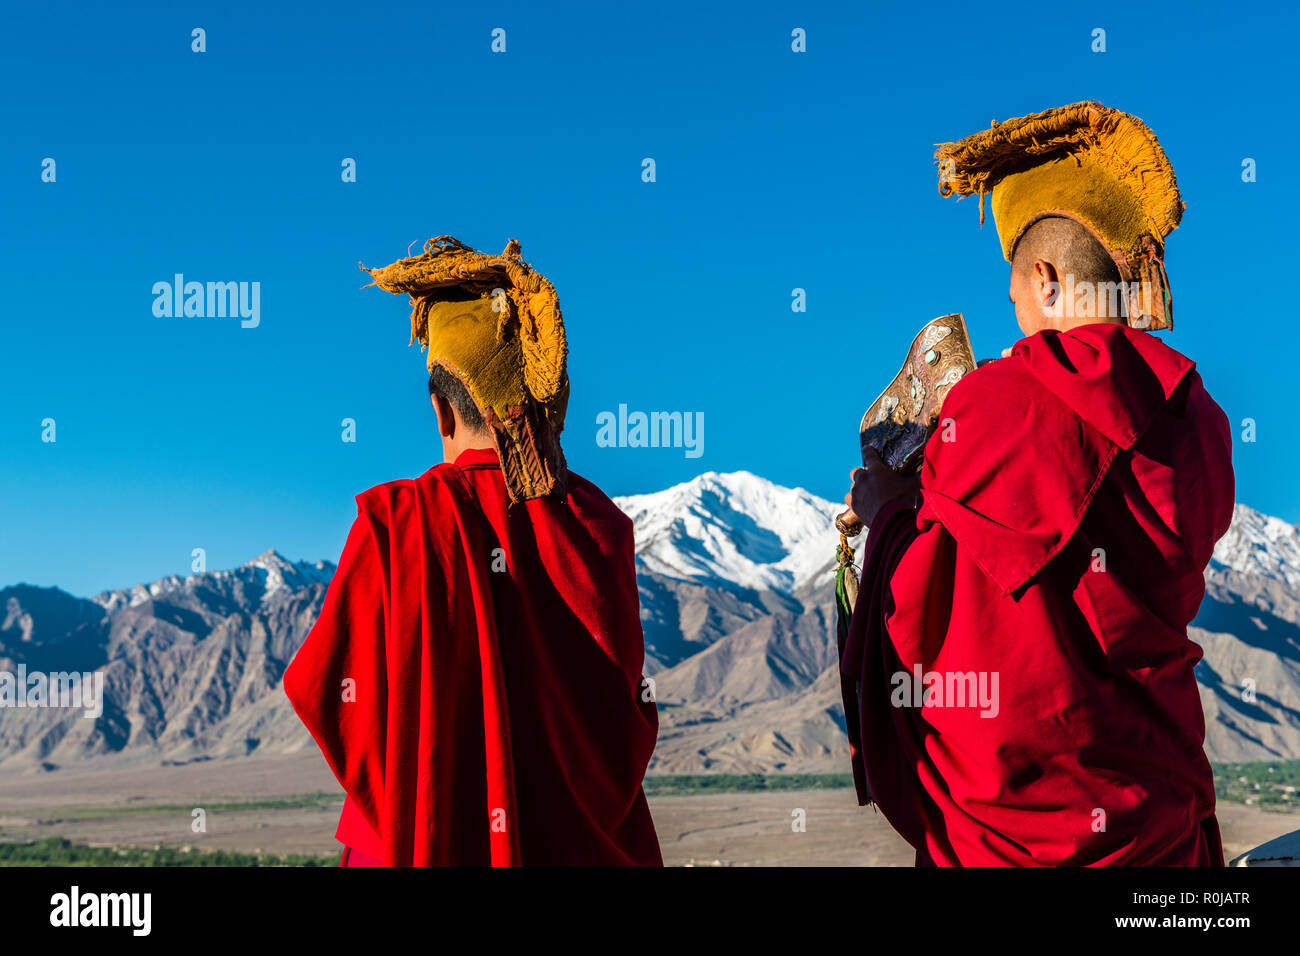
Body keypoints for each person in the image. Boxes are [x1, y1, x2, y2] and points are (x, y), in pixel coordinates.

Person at [840, 102, 1235, 865]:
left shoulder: (999, 403)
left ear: (1048, 280)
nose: (1014, 314)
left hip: (1014, 828)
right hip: (1159, 824)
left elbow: (924, 604)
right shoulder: (1201, 418)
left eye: (1016, 294)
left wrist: (887, 514)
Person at [284, 236, 662, 866]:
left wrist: (422, 793)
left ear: (440, 409)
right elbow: (621, 720)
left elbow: (325, 690)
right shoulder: (597, 526)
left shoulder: (397, 523)